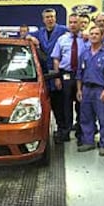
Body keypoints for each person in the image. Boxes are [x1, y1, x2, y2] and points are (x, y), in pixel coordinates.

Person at [26, 8, 68, 143]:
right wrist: (30, 37)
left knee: (59, 105)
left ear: (55, 18)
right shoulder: (39, 32)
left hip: (57, 72)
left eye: (52, 17)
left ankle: (62, 131)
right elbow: (24, 36)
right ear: (43, 20)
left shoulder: (63, 30)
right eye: (47, 17)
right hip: (43, 74)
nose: (50, 19)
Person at [51, 13, 87, 144]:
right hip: (66, 74)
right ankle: (65, 131)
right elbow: (56, 58)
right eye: (70, 22)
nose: (72, 25)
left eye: (75, 22)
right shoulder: (62, 39)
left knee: (81, 105)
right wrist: (57, 77)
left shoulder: (85, 39)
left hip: (82, 75)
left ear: (80, 24)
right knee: (65, 105)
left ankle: (80, 133)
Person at [76, 26, 104, 155]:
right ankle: (88, 141)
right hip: (86, 89)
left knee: (103, 118)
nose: (94, 36)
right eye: (92, 34)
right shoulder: (84, 54)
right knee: (86, 117)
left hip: (100, 89)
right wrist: (79, 90)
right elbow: (79, 73)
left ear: (102, 36)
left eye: (97, 34)